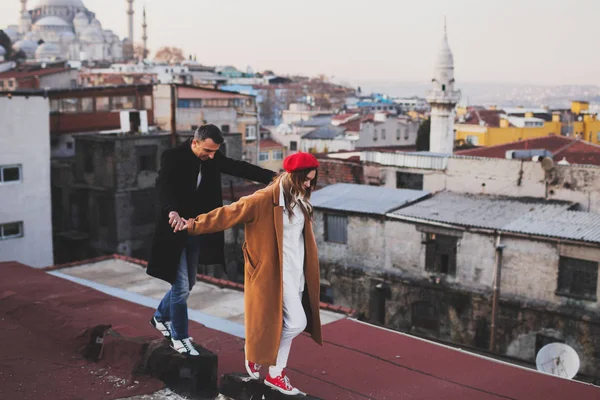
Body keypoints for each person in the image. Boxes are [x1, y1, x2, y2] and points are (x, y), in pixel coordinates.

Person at [180, 152, 323, 395]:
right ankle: (259, 354)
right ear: (292, 177)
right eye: (306, 179)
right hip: (273, 274)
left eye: (312, 180)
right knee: (297, 323)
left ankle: (274, 371)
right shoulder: (264, 199)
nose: (309, 184)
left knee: (288, 323)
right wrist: (194, 224)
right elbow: (228, 213)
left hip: (297, 272)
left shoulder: (300, 199)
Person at [147, 124, 275, 356]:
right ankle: (179, 337)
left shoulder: (211, 158)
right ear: (195, 142)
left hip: (196, 229)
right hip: (173, 230)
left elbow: (238, 167)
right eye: (207, 150)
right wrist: (172, 212)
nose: (211, 155)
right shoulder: (173, 157)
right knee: (181, 287)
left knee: (189, 285)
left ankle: (159, 317)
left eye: (215, 151)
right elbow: (162, 187)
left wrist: (274, 177)